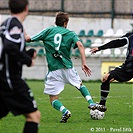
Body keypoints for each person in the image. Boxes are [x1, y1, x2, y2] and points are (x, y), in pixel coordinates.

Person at [25, 11, 105, 123]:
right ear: (66, 23)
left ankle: (65, 111)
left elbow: (28, 39)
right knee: (80, 85)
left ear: (56, 22)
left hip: (54, 70)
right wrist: (83, 63)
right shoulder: (70, 33)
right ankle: (91, 102)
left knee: (53, 99)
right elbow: (80, 45)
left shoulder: (48, 31)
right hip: (68, 67)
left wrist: (22, 32)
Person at [0, 0, 40, 133]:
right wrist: (27, 60)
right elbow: (9, 46)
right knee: (34, 116)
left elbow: (9, 49)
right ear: (26, 8)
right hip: (10, 79)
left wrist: (27, 54)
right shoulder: (15, 24)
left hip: (3, 77)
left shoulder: (6, 23)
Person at [90, 32, 133, 111]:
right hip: (127, 68)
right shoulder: (130, 36)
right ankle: (102, 105)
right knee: (106, 77)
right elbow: (116, 43)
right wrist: (100, 48)